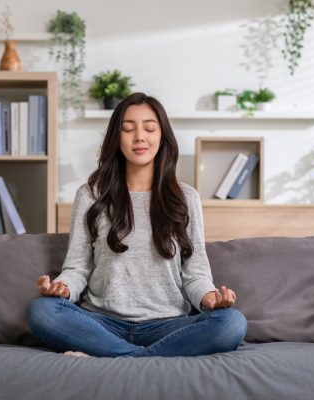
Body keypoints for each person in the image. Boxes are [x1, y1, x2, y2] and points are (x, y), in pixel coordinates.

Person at [27, 92, 247, 358]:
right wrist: (62, 288)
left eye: (149, 128)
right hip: (102, 322)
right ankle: (144, 358)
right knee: (42, 311)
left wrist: (209, 298)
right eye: (128, 129)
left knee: (232, 323)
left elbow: (195, 273)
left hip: (169, 324)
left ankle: (116, 357)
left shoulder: (186, 198)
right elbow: (77, 267)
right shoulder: (90, 195)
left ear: (162, 136)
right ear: (116, 138)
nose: (139, 136)